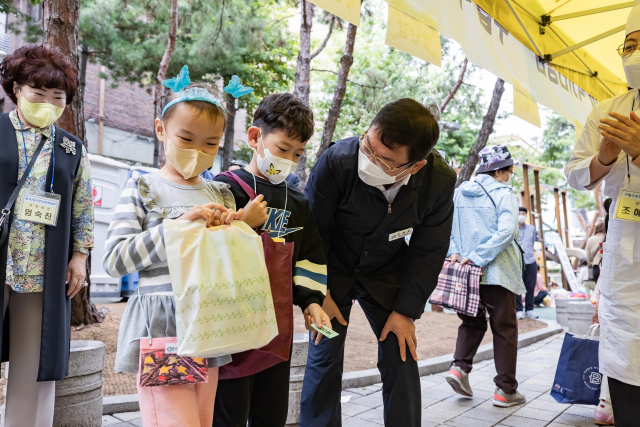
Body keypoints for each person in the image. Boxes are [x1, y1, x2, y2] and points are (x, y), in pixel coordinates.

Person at [104, 68, 266, 427]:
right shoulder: (142, 187)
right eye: (187, 138)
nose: (198, 151)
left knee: (200, 422)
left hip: (207, 328)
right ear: (161, 130)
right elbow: (114, 260)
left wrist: (239, 225)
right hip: (165, 330)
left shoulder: (217, 192)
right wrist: (180, 227)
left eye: (210, 143)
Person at [299, 98, 456, 427]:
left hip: (387, 269)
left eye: (384, 161)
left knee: (401, 352)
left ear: (415, 166)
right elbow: (314, 234)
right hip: (333, 267)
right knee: (323, 353)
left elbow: (429, 250)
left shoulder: (438, 181)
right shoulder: (337, 161)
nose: (368, 160)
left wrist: (405, 312)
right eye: (368, 147)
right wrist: (317, 295)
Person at [212, 93, 330, 427]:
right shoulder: (223, 189)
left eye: (297, 154)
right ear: (254, 138)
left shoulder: (298, 202)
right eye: (282, 149)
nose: (289, 160)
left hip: (277, 334)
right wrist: (239, 222)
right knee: (227, 414)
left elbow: (309, 257)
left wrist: (311, 302)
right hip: (229, 330)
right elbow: (205, 249)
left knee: (271, 415)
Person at [0, 45, 94, 426]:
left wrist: (80, 256)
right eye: (38, 93)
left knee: (33, 361)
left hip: (43, 268)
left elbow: (83, 205)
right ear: (16, 88)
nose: (48, 102)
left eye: (58, 97)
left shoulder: (71, 148)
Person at [565, 5, 640, 424]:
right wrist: (604, 157)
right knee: (625, 352)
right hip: (624, 251)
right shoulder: (606, 110)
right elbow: (576, 175)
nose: (633, 55)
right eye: (628, 46)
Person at [445, 145, 526, 407]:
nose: (509, 176)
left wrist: (458, 254)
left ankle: (459, 368)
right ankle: (505, 390)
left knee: (472, 322)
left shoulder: (460, 193)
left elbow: (449, 229)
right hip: (497, 273)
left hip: (467, 273)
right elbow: (506, 231)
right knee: (504, 329)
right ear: (501, 171)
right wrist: (481, 256)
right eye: (509, 172)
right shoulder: (504, 193)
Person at [515, 206, 540, 320]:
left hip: (530, 260)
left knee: (530, 286)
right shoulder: (512, 228)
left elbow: (534, 241)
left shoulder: (532, 228)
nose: (521, 215)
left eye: (523, 213)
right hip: (516, 261)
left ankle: (529, 309)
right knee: (517, 286)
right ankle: (518, 310)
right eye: (519, 213)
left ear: (526, 215)